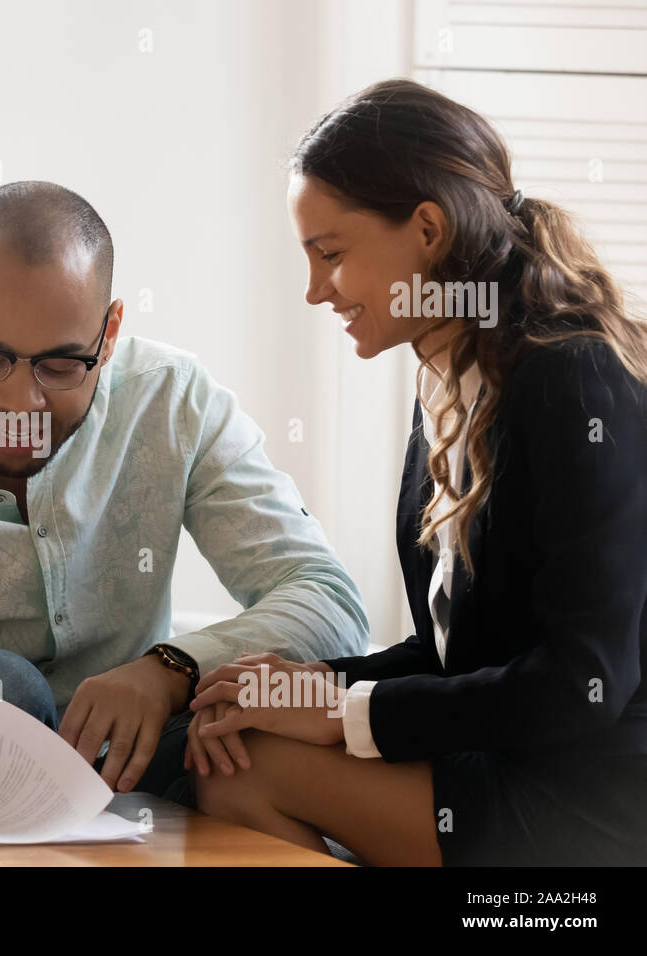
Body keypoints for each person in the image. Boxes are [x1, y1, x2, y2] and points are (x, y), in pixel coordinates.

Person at [0, 180, 369, 807]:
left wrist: (171, 670)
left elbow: (329, 599)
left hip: (138, 764)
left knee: (253, 747)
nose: (21, 405)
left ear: (109, 333)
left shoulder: (173, 401)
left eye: (59, 366)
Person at [186, 78, 647, 866]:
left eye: (330, 254)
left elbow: (583, 680)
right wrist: (299, 687)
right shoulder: (446, 382)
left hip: (594, 800)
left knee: (247, 768)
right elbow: (454, 661)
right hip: (511, 763)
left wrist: (337, 710)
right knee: (235, 737)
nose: (313, 290)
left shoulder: (574, 380)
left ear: (427, 231)